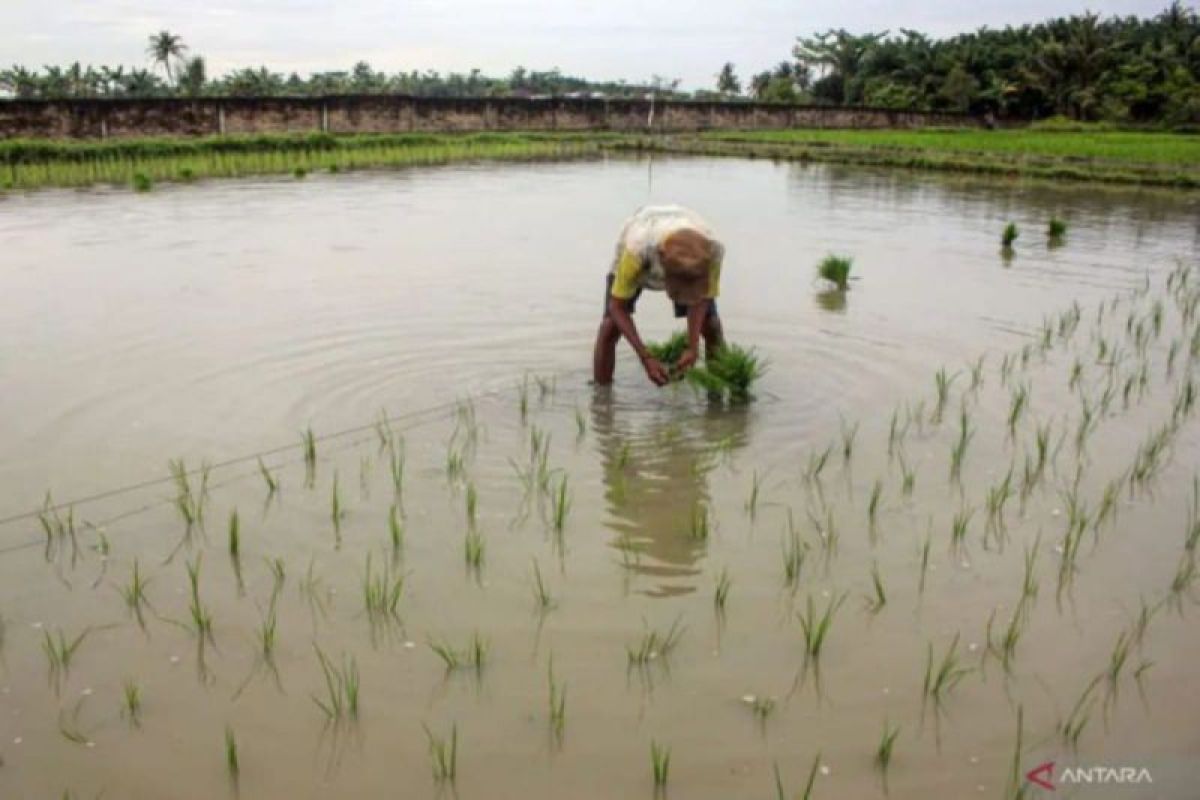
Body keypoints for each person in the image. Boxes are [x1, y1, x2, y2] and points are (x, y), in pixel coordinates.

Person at [592, 205, 725, 386]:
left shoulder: (713, 251)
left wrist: (692, 348)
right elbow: (617, 307)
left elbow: (702, 299)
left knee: (711, 325)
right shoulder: (637, 250)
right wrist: (645, 357)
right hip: (643, 246)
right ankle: (602, 397)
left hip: (680, 238)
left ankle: (716, 395)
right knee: (610, 326)